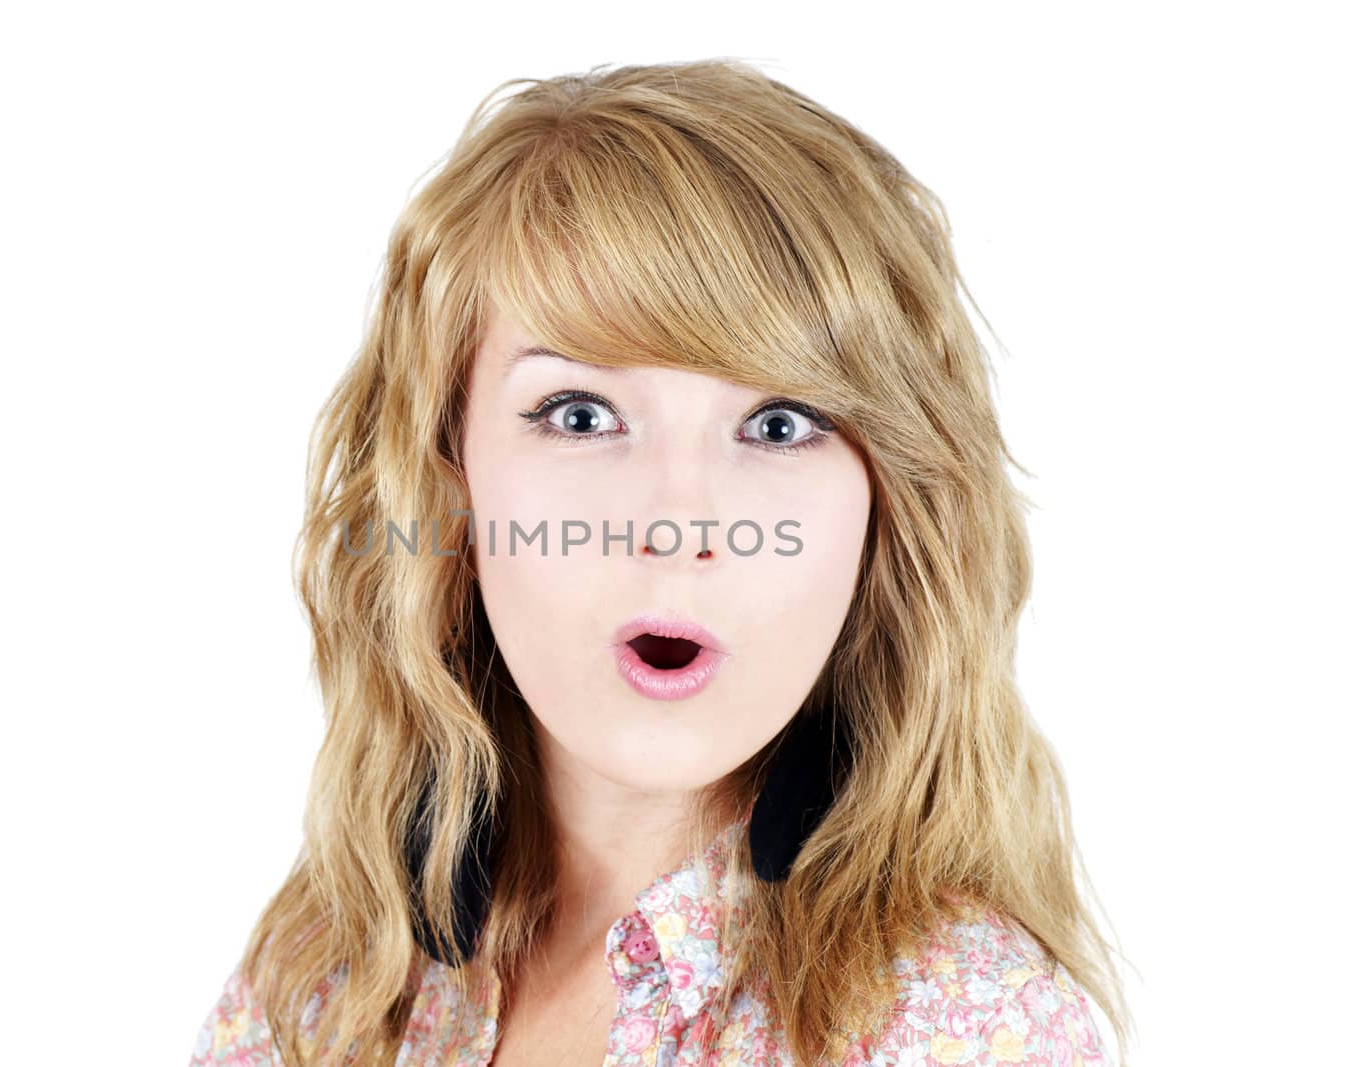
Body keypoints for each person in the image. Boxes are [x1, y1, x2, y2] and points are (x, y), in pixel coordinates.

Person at [188, 57, 1133, 1066]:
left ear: (886, 509)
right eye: (580, 414)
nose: (679, 524)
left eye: (777, 423)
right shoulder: (327, 978)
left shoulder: (958, 1028)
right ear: (449, 478)